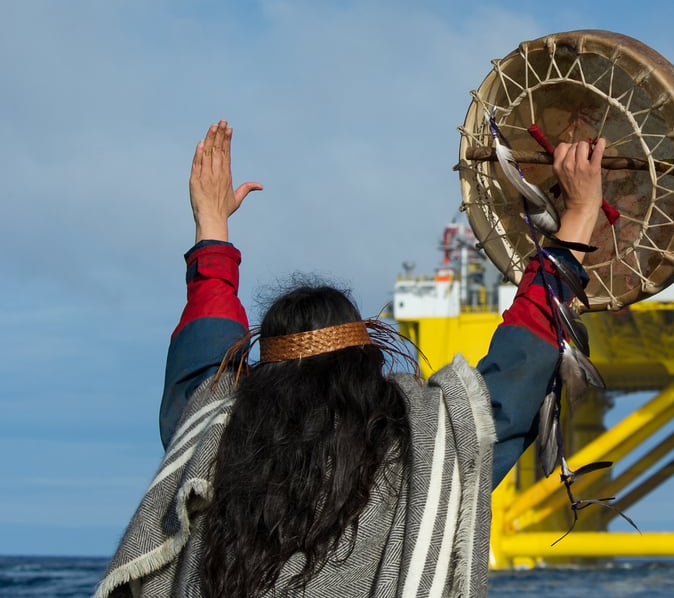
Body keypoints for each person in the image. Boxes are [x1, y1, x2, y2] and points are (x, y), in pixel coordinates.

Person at [95, 120, 606, 598]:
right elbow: (508, 391)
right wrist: (579, 218)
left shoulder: (211, 450)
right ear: (364, 369)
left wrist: (211, 228)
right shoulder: (416, 468)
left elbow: (204, 365)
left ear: (263, 375)